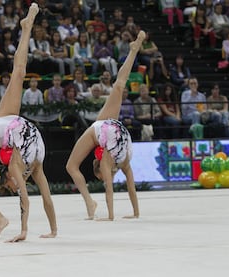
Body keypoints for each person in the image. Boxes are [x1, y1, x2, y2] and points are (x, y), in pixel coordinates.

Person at [0, 3, 57, 242]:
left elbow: (37, 197)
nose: (12, 185)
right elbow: (28, 197)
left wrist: (42, 230)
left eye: (9, 185)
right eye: (10, 185)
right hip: (12, 128)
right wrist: (25, 230)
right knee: (18, 72)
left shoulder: (28, 165)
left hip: (23, 130)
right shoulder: (22, 167)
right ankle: (26, 28)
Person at [65, 30, 145, 221]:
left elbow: (113, 188)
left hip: (117, 133)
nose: (105, 178)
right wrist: (124, 214)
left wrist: (113, 216)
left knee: (71, 166)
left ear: (99, 169)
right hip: (108, 130)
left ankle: (89, 203)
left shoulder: (112, 162)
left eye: (101, 176)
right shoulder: (115, 162)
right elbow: (120, 187)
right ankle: (133, 51)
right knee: (119, 85)